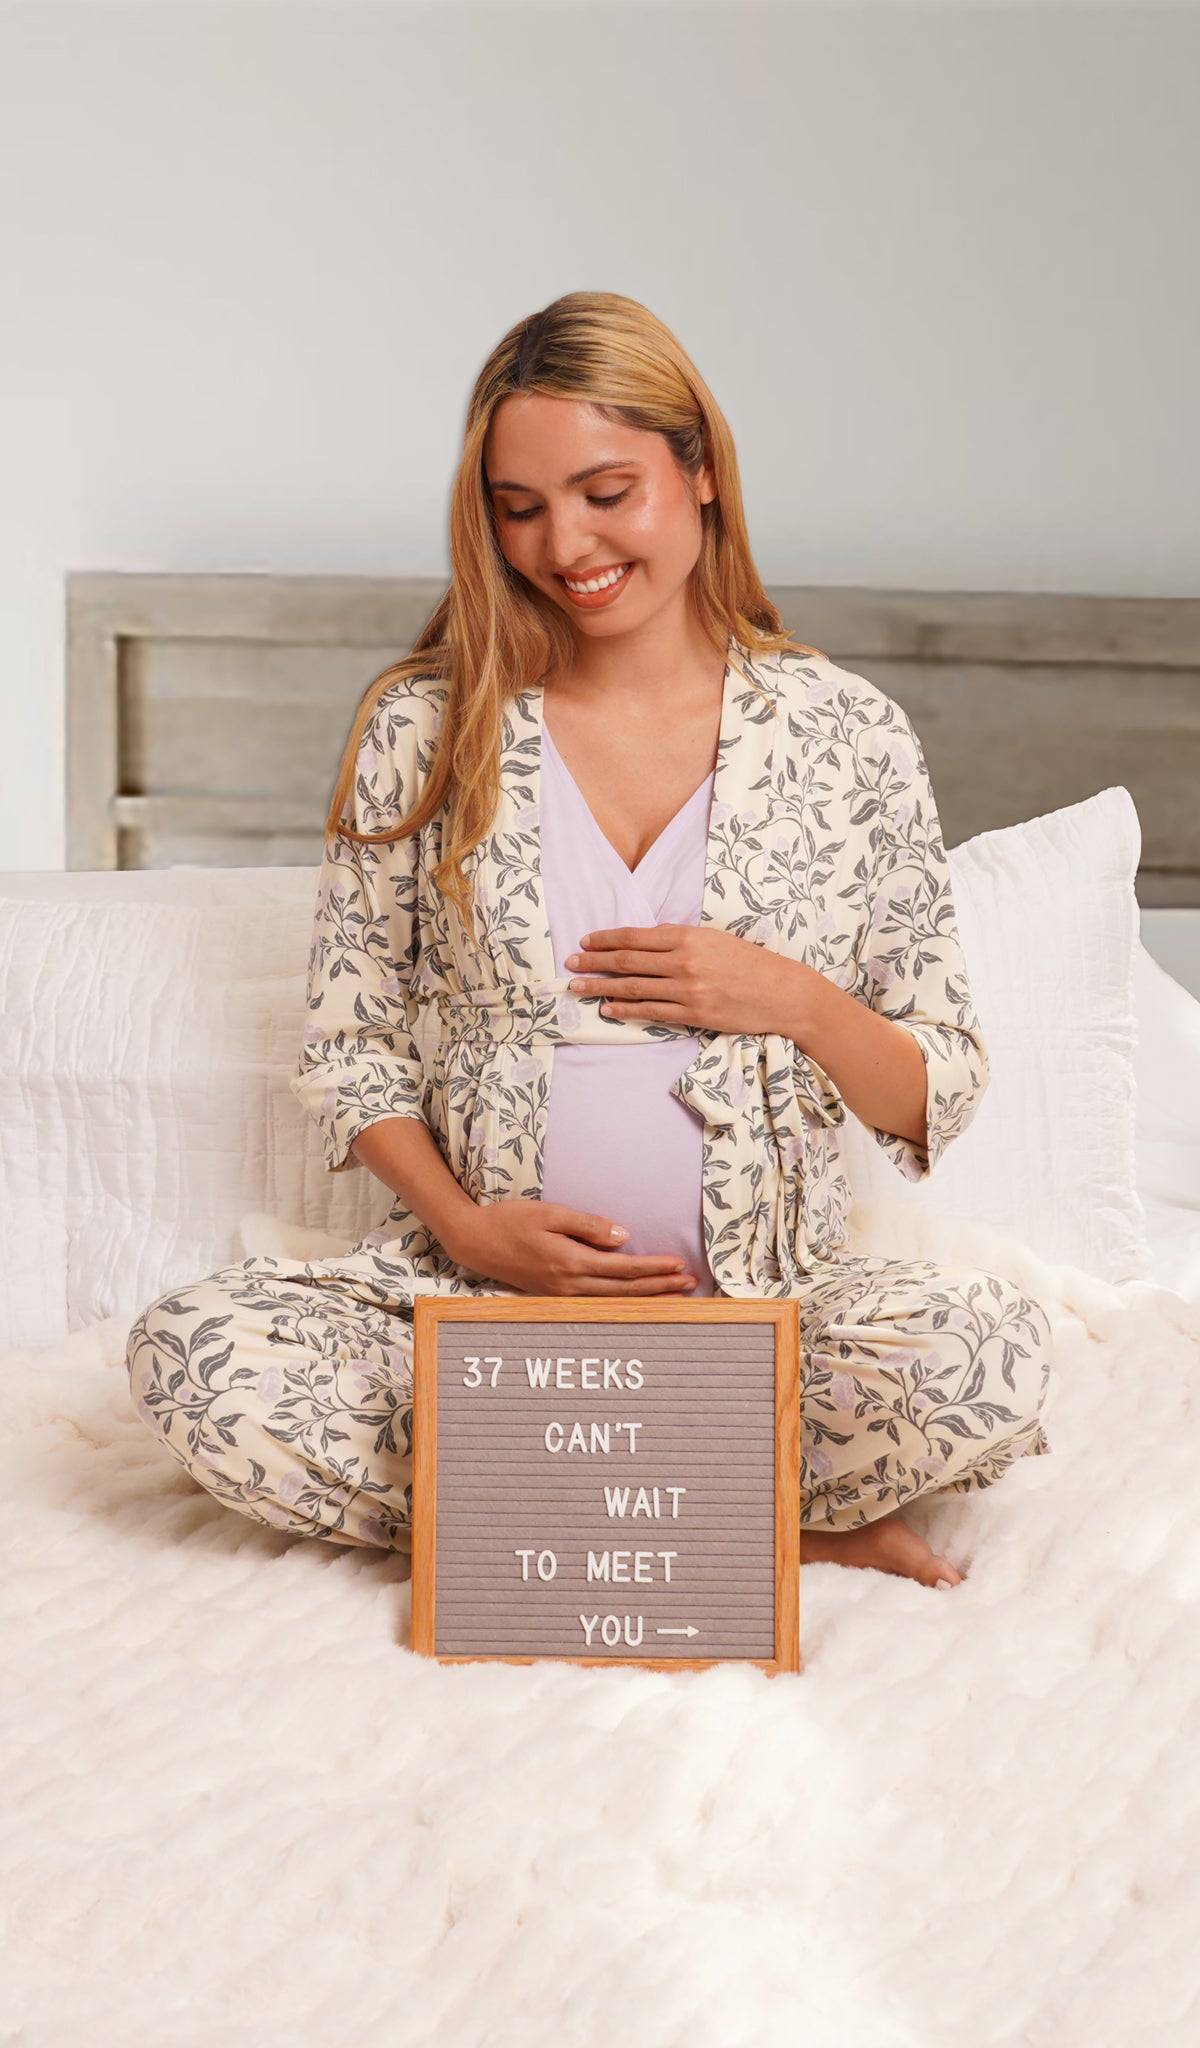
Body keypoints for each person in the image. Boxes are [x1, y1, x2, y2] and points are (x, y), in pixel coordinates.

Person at [125, 290, 1053, 1592]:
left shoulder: (852, 735)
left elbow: (937, 1080)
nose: (566, 542)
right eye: (521, 506)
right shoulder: (422, 727)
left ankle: (544, 1499)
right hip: (480, 1312)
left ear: (702, 472)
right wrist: (469, 1228)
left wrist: (792, 998)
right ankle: (762, 1513)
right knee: (194, 1360)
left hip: (772, 1310)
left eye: (607, 490)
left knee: (992, 1351)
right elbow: (352, 1051)